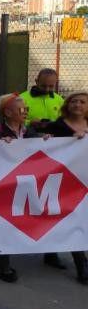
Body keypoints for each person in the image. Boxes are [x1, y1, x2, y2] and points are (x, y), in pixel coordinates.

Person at [0, 93, 50, 283]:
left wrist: (46, 140)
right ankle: (2, 266)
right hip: (3, 188)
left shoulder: (29, 133)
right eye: (22, 109)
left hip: (24, 186)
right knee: (3, 224)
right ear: (7, 112)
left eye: (27, 108)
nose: (26, 112)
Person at [44, 92, 88, 284]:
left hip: (84, 179)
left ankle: (49, 253)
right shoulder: (57, 126)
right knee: (72, 219)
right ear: (67, 105)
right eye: (74, 101)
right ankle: (82, 266)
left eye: (82, 102)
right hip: (64, 181)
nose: (77, 105)